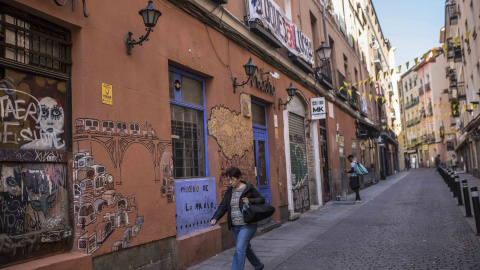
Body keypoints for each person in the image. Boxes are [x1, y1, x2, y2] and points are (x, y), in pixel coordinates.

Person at [210, 167, 265, 270]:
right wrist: (215, 218)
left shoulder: (248, 188)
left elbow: (261, 199)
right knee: (245, 247)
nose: (230, 182)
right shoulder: (229, 191)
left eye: (232, 179)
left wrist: (249, 200)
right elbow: (223, 206)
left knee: (239, 249)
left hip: (248, 224)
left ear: (239, 177)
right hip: (235, 226)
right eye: (228, 180)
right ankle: (258, 265)